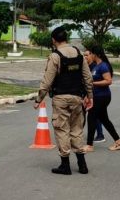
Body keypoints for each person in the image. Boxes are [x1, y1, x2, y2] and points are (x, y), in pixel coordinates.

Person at [34, 26, 93, 175]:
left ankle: (65, 165)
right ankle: (82, 164)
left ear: (53, 40)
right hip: (77, 97)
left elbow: (47, 81)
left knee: (62, 130)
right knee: (77, 130)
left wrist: (39, 98)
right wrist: (90, 96)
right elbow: (87, 77)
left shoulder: (55, 56)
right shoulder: (79, 53)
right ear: (66, 38)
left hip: (60, 98)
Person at [83, 45, 120, 152]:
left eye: (91, 54)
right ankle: (119, 141)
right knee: (104, 120)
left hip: (102, 97)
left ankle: (89, 145)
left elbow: (108, 81)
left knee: (91, 118)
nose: (89, 56)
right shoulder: (96, 66)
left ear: (95, 54)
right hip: (97, 96)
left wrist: (93, 83)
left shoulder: (103, 66)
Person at [83, 49, 105, 143]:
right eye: (84, 55)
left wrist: (89, 96)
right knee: (90, 115)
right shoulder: (86, 66)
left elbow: (92, 82)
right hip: (86, 93)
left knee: (94, 115)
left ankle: (100, 135)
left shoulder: (94, 67)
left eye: (87, 55)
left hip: (93, 94)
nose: (85, 57)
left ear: (92, 56)